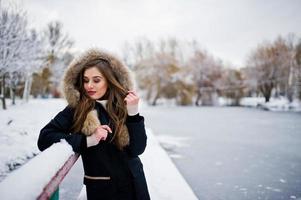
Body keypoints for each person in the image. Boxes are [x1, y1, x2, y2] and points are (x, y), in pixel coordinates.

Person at [37, 49, 150, 200]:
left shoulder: (122, 105)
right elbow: (45, 138)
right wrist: (88, 140)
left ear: (109, 81)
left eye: (96, 80)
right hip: (103, 191)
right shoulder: (77, 108)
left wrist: (134, 114)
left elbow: (138, 149)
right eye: (85, 80)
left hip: (135, 186)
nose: (89, 85)